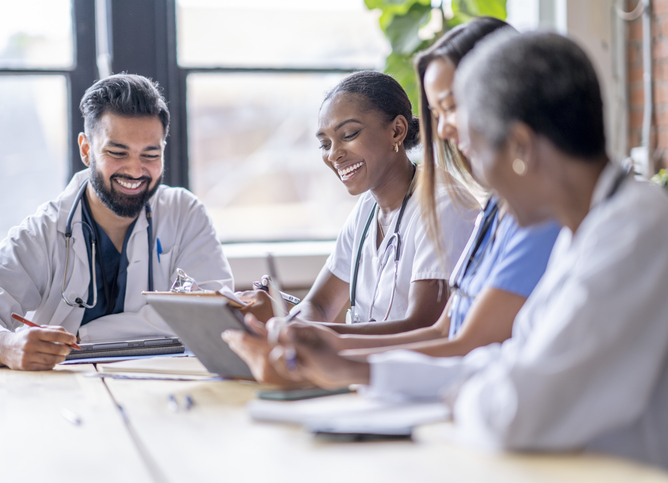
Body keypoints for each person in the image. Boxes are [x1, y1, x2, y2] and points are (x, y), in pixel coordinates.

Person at [268, 32, 668, 468]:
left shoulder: (634, 233)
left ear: (520, 148)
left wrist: (459, 395)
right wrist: (353, 369)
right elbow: (504, 361)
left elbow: (516, 409)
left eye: (476, 151)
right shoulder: (587, 228)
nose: (483, 189)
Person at [225, 18, 560, 383]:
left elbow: (446, 333)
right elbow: (442, 332)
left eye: (349, 134)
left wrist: (337, 354)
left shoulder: (477, 209)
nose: (445, 129)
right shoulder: (498, 212)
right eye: (324, 144)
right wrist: (301, 334)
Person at [0, 74, 233, 371]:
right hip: (61, 394)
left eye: (150, 154)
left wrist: (83, 336)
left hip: (160, 389)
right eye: (117, 153)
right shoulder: (42, 233)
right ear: (86, 150)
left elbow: (217, 320)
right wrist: (5, 346)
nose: (135, 170)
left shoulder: (185, 214)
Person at [226, 71, 477, 383]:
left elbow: (423, 325)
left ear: (397, 130)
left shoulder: (443, 204)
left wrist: (310, 335)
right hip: (361, 375)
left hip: (412, 381)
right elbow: (318, 304)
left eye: (348, 135)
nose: (334, 154)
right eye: (325, 143)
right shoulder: (368, 209)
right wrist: (291, 326)